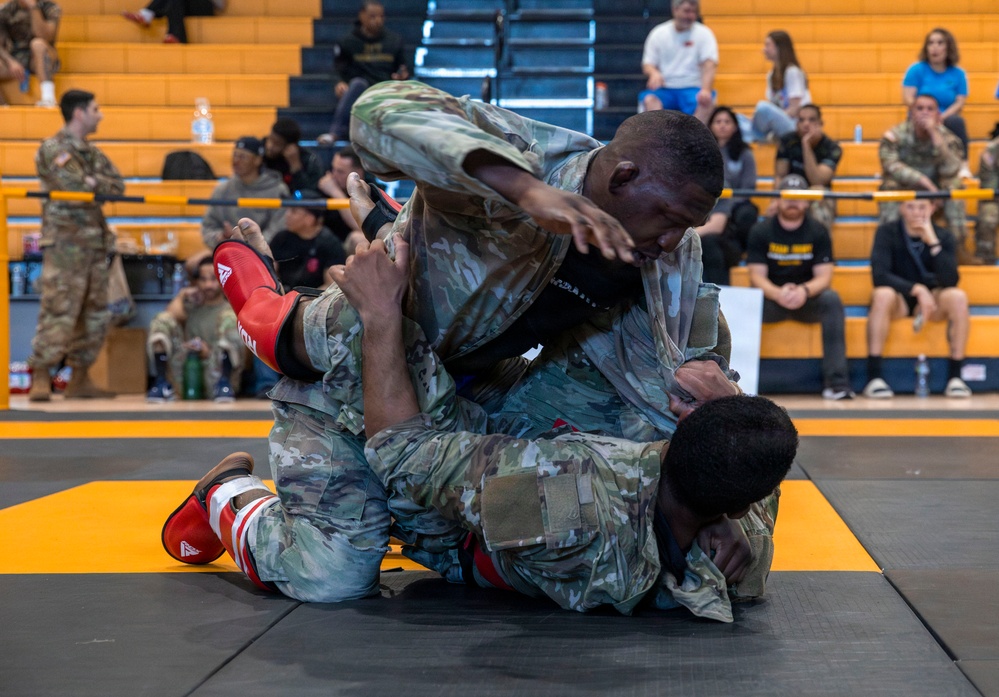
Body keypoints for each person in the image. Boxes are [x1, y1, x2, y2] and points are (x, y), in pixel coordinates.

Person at [162, 79, 742, 605]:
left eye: (686, 226)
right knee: (331, 568)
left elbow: (684, 378)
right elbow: (378, 112)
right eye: (667, 217)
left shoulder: (668, 255)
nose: (672, 240)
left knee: (622, 446)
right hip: (361, 353)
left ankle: (398, 224)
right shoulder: (531, 161)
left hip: (468, 381)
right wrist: (524, 192)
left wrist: (703, 503)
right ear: (622, 179)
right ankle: (229, 492)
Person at [348, 235, 797, 619]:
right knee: (690, 327)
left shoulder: (566, 497)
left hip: (472, 513)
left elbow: (401, 454)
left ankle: (292, 310)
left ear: (672, 432)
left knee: (347, 337)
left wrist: (379, 314)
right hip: (553, 460)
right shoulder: (743, 555)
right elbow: (749, 477)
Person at [27, 89, 123, 402]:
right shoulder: (52, 147)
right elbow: (74, 185)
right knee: (59, 309)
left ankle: (80, 378)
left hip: (94, 242)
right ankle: (41, 374)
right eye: (96, 108)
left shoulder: (92, 153)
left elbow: (117, 186)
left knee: (94, 313)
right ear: (79, 112)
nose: (101, 114)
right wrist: (93, 182)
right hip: (66, 243)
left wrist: (93, 182)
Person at [746, 174, 853, 400]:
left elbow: (824, 277)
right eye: (788, 197)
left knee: (832, 300)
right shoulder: (761, 231)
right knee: (744, 301)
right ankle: (741, 382)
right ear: (777, 199)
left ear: (807, 202)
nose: (793, 202)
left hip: (807, 299)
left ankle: (837, 384)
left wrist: (803, 291)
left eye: (798, 197)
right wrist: (778, 293)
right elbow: (757, 276)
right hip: (773, 298)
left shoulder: (818, 231)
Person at [863, 198, 971, 399]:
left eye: (922, 207)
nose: (916, 212)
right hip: (900, 298)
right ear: (901, 208)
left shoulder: (943, 236)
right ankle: (874, 378)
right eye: (910, 206)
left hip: (934, 301)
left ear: (932, 208)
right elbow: (879, 275)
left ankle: (956, 378)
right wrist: (917, 290)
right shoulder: (887, 232)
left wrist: (933, 242)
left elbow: (951, 280)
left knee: (958, 297)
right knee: (882, 295)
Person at [878, 94, 976, 265]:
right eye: (919, 108)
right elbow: (890, 165)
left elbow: (952, 168)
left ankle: (958, 250)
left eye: (930, 109)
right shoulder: (895, 135)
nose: (925, 113)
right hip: (906, 191)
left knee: (955, 186)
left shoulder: (948, 138)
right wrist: (927, 185)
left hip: (937, 193)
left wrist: (934, 134)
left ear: (938, 115)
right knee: (889, 186)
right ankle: (889, 251)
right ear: (911, 112)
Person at [146, 253, 242, 403]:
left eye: (213, 279)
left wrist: (207, 351)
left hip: (215, 372)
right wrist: (183, 294)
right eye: (203, 280)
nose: (208, 285)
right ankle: (161, 383)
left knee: (230, 320)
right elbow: (167, 317)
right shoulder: (192, 307)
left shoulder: (230, 309)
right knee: (162, 320)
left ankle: (224, 385)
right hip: (188, 369)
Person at [319, 0, 410, 144]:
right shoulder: (348, 41)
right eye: (373, 16)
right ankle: (335, 133)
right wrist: (339, 82)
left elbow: (404, 68)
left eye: (381, 16)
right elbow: (338, 69)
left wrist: (402, 76)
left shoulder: (394, 41)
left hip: (386, 87)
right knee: (357, 83)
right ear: (362, 16)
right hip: (361, 91)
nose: (378, 21)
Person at [697, 106, 757, 285]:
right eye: (718, 121)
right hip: (713, 204)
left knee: (747, 213)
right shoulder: (703, 153)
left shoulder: (744, 153)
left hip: (735, 204)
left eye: (727, 122)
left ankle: (745, 250)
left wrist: (728, 204)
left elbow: (749, 186)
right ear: (711, 125)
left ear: (735, 127)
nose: (722, 125)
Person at [200, 136, 288, 249]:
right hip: (229, 250)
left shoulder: (277, 190)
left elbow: (278, 229)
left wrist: (251, 245)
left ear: (257, 160)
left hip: (265, 254)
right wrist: (221, 237)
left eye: (243, 157)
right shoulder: (222, 190)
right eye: (235, 155)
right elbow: (208, 227)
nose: (236, 161)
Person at [639, 0, 717, 124]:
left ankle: (693, 141)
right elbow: (648, 64)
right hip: (665, 89)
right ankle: (660, 141)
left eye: (693, 12)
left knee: (706, 102)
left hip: (693, 89)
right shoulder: (658, 33)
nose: (690, 16)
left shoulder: (704, 34)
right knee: (650, 99)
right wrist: (654, 73)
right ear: (675, 10)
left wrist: (706, 90)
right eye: (686, 11)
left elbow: (710, 64)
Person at [902, 28, 969, 167]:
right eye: (931, 43)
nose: (935, 47)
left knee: (957, 122)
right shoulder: (916, 70)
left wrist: (941, 117)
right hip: (922, 114)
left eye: (940, 43)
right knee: (913, 122)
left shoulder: (958, 73)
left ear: (948, 47)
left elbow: (960, 102)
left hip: (945, 116)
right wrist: (925, 114)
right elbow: (908, 99)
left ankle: (963, 165)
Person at [773, 104, 841, 232]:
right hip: (790, 192)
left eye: (811, 120)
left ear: (820, 123)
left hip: (816, 194)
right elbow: (780, 176)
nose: (806, 124)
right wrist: (775, 200)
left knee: (819, 196)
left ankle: (821, 249)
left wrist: (806, 145)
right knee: (773, 210)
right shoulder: (787, 141)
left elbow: (817, 180)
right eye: (801, 120)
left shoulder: (832, 148)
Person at [269, 191, 346, 290]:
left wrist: (304, 300)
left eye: (293, 211)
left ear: (310, 219)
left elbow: (330, 285)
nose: (287, 215)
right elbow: (269, 272)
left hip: (313, 300)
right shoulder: (281, 238)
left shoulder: (330, 244)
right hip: (283, 297)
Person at [749, 30, 810, 143]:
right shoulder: (771, 75)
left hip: (793, 124)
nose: (764, 50)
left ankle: (758, 135)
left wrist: (770, 118)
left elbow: (795, 109)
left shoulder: (792, 72)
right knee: (736, 120)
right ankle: (760, 135)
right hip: (777, 123)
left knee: (762, 108)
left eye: (768, 45)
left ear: (779, 48)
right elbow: (774, 106)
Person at [0, 0, 60, 107]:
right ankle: (3, 107)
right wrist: (10, 62)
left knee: (37, 44)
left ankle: (48, 98)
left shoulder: (50, 7)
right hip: (16, 57)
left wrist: (33, 8)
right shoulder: (6, 10)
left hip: (43, 56)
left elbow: (44, 36)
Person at [316, 144, 367, 255]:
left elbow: (362, 227)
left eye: (340, 172)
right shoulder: (323, 188)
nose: (333, 175)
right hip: (324, 246)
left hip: (348, 249)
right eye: (333, 169)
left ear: (358, 173)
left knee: (359, 239)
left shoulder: (371, 191)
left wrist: (335, 192)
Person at [262, 117, 324, 194]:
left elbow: (309, 194)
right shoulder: (259, 150)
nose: (270, 146)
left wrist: (295, 167)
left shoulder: (309, 160)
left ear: (290, 146)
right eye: (270, 139)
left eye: (277, 143)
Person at [121, 0, 222, 44]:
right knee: (174, 2)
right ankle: (176, 35)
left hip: (208, 5)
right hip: (184, 4)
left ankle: (147, 13)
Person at [975, 127, 999, 264]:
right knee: (988, 216)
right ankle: (986, 261)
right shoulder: (992, 149)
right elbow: (989, 185)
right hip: (995, 199)